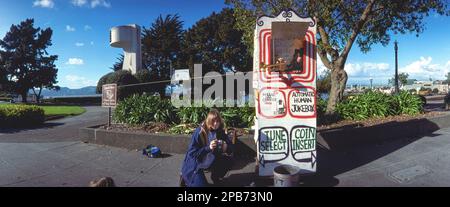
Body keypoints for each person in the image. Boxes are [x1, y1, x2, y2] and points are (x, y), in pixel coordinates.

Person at [180, 109, 234, 187]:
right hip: (196, 162)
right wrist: (208, 148)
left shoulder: (220, 131)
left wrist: (227, 147)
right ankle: (185, 178)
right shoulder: (199, 132)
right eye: (213, 121)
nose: (215, 124)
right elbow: (192, 154)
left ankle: (216, 177)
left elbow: (231, 147)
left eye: (217, 121)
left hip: (211, 158)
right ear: (208, 121)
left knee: (229, 161)